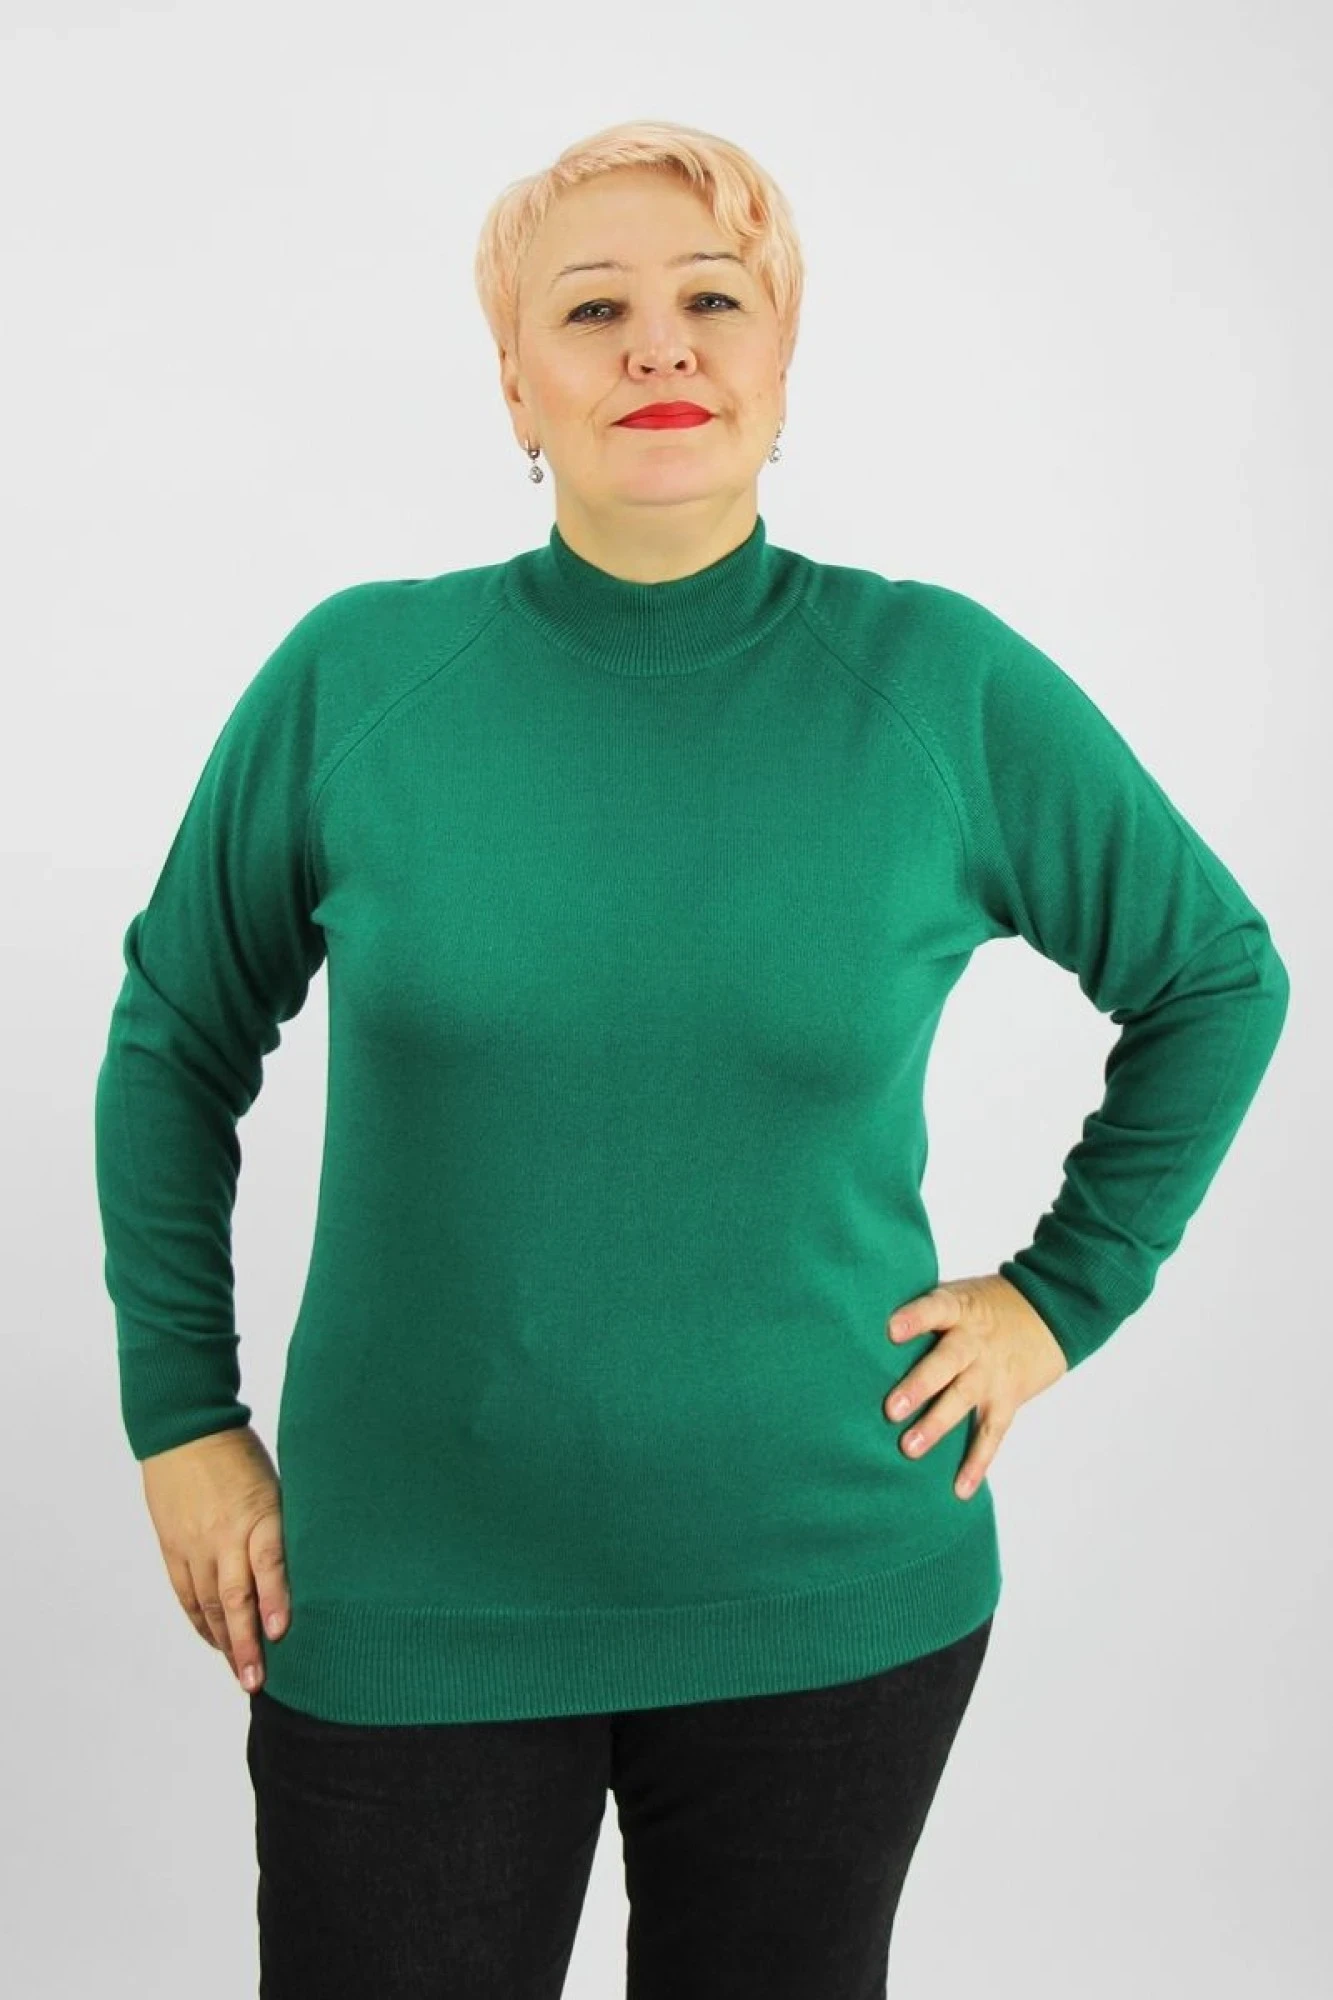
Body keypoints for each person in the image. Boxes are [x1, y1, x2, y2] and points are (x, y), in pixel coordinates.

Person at [94, 118, 1290, 1998]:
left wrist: (1061, 1300)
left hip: (830, 1604)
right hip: (411, 1594)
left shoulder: (936, 685)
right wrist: (181, 1422)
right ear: (515, 385)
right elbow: (176, 1037)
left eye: (713, 301)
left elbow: (1217, 975)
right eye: (593, 309)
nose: (660, 344)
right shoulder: (359, 682)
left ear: (781, 363)